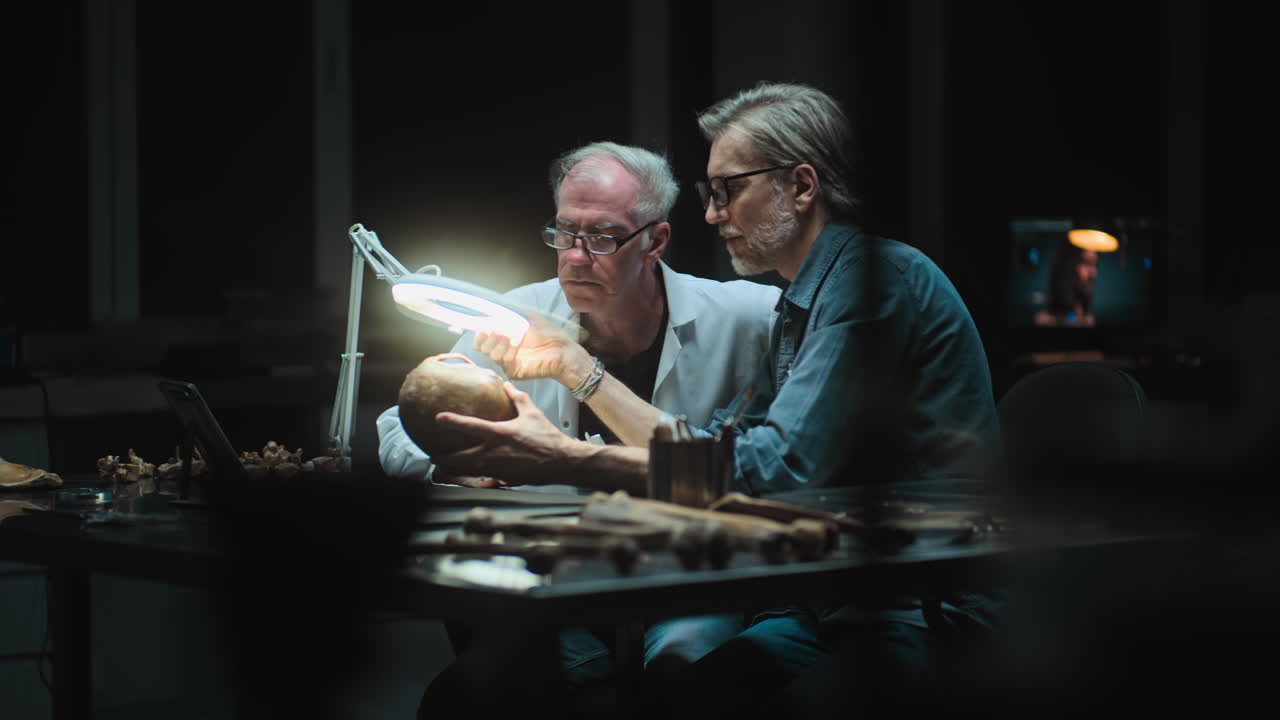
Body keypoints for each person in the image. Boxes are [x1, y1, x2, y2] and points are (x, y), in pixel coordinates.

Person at [432, 82, 1003, 714]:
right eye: (710, 194)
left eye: (727, 190)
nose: (712, 214)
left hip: (920, 609)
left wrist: (564, 456)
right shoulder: (797, 309)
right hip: (823, 606)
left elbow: (768, 471)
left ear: (802, 186)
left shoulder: (875, 280)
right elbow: (724, 459)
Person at [377, 141, 781, 713]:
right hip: (559, 576)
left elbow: (773, 466)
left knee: (685, 678)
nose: (574, 256)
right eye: (565, 232)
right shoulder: (518, 314)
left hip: (689, 572)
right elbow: (397, 431)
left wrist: (578, 371)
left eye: (601, 237)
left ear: (656, 241)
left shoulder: (748, 320)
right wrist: (457, 462)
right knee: (470, 695)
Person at [1033, 236, 1099, 327]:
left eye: (1095, 265)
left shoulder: (1086, 316)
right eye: (1087, 263)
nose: (1094, 273)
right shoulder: (1045, 321)